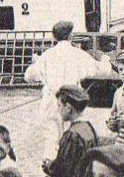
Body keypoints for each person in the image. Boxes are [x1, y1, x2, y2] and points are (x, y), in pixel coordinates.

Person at [22, 20, 105, 165]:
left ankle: (50, 168)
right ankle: (71, 166)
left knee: (51, 135)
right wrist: (105, 60)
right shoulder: (78, 54)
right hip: (72, 99)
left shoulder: (47, 55)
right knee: (72, 133)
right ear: (70, 36)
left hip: (51, 99)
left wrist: (37, 62)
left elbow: (28, 76)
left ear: (54, 37)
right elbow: (100, 70)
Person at [46, 83, 98, 177]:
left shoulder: (72, 135)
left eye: (59, 106)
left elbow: (63, 170)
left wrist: (49, 166)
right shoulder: (89, 128)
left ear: (68, 108)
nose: (58, 110)